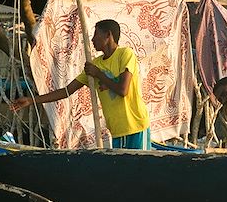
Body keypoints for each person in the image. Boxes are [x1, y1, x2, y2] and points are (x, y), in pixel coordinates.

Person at [11, 19, 151, 149]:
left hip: (136, 126)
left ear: (108, 35)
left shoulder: (124, 54)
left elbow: (123, 90)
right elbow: (66, 91)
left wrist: (98, 74)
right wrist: (31, 100)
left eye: (96, 35)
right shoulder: (95, 65)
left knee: (143, 170)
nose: (92, 39)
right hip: (117, 130)